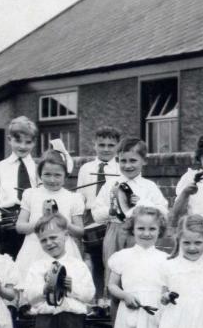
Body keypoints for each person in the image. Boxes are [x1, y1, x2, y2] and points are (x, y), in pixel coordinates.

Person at [92, 137, 169, 268]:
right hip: (115, 233)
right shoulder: (111, 185)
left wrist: (142, 204)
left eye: (133, 160)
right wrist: (113, 210)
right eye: (123, 161)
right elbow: (96, 214)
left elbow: (163, 212)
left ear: (144, 161)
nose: (128, 165)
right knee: (113, 269)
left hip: (140, 234)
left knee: (139, 269)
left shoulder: (149, 186)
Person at [14, 147, 85, 282]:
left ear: (65, 175)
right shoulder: (31, 194)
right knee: (33, 287)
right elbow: (20, 227)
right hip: (34, 248)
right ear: (40, 174)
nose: (52, 180)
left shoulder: (73, 198)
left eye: (57, 175)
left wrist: (64, 222)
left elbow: (80, 231)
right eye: (47, 174)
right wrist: (40, 222)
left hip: (63, 249)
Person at [0, 115, 39, 257]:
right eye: (18, 141)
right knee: (9, 263)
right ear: (9, 139)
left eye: (28, 142)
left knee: (32, 262)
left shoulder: (39, 169)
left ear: (34, 142)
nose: (22, 146)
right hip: (7, 226)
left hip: (32, 223)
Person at [75, 125, 122, 298]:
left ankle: (110, 299)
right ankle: (97, 300)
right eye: (101, 145)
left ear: (118, 146)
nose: (106, 149)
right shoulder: (85, 169)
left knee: (113, 260)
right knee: (96, 260)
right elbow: (80, 198)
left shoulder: (120, 169)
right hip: (91, 220)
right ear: (94, 145)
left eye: (111, 145)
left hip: (113, 219)